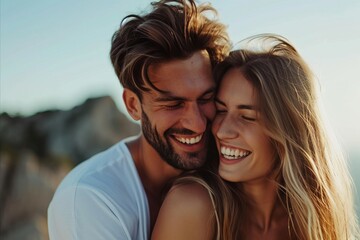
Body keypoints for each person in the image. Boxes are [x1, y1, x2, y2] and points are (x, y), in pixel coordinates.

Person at [47, 0, 230, 239]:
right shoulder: (91, 197)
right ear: (133, 105)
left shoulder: (230, 168)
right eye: (173, 104)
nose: (197, 123)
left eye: (206, 98)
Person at [152, 35, 359, 240]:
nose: (222, 131)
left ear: (289, 131)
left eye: (247, 117)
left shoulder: (315, 217)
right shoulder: (193, 205)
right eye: (221, 110)